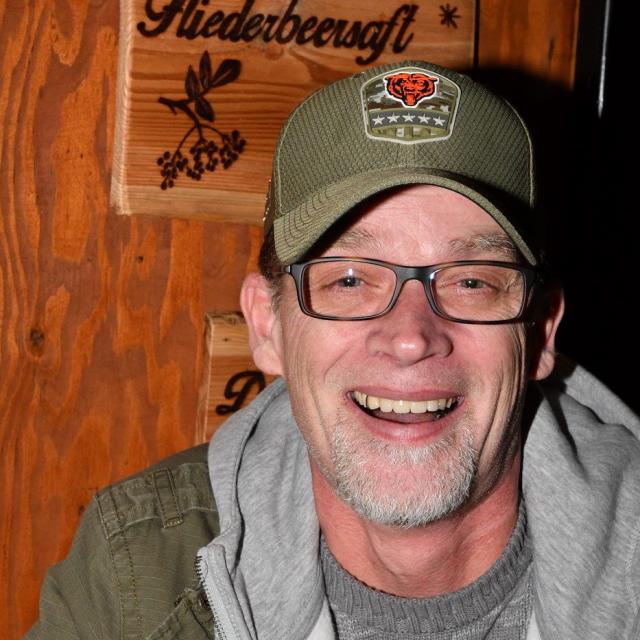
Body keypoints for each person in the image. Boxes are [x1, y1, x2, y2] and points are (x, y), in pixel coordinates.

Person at [26, 61, 640, 640]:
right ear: (267, 325)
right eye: (349, 280)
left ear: (541, 332)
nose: (410, 337)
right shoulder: (137, 577)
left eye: (472, 281)